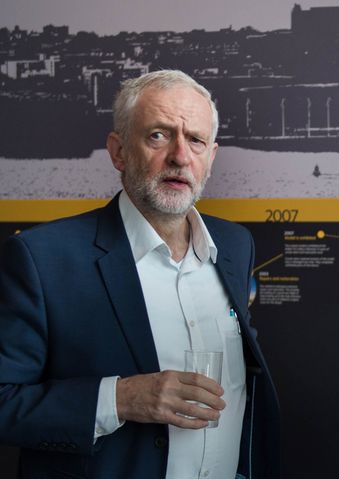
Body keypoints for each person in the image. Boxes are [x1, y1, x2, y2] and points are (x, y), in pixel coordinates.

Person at [0, 70, 280, 478]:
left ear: (211, 157)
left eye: (196, 141)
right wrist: (122, 398)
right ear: (118, 151)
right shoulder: (42, 258)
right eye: (159, 136)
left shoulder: (235, 245)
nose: (180, 156)